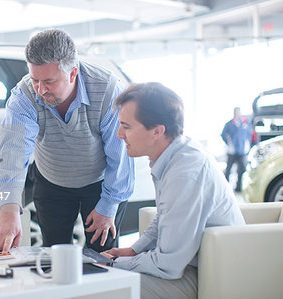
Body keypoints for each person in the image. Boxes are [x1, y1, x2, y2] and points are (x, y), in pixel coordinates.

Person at [0, 29, 134, 253]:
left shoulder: (107, 89)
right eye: (35, 79)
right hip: (52, 181)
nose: (40, 89)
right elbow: (14, 153)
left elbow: (121, 155)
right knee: (53, 256)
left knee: (103, 255)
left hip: (100, 183)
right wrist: (9, 210)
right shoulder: (24, 95)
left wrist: (108, 206)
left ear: (73, 72)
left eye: (49, 81)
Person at [101, 83, 245, 299]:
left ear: (158, 131)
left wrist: (116, 263)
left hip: (206, 273)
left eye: (126, 126)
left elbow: (168, 264)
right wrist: (134, 250)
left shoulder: (184, 173)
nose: (119, 134)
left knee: (101, 286)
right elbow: (166, 217)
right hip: (191, 263)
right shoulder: (173, 155)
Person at [221, 107, 252, 192]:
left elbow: (249, 135)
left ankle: (238, 187)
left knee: (241, 169)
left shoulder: (245, 123)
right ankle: (225, 187)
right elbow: (223, 135)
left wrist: (247, 145)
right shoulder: (229, 124)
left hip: (242, 151)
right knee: (228, 169)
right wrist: (228, 143)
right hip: (232, 151)